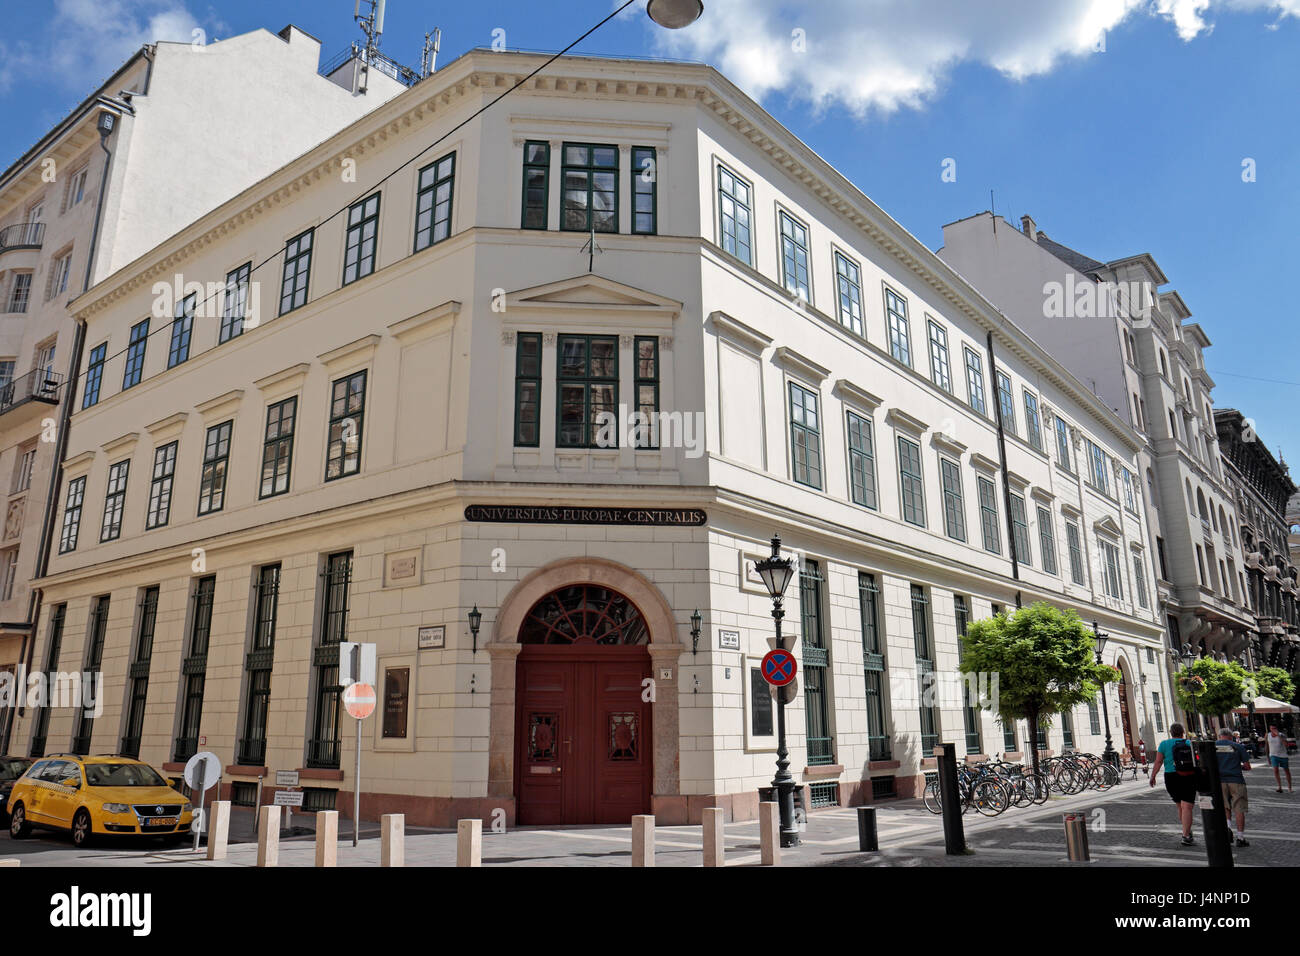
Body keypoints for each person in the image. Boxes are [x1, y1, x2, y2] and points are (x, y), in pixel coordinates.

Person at [1151, 722, 1198, 846]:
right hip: (1188, 776)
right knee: (1187, 806)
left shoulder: (1163, 744)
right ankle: (1186, 835)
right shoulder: (1189, 743)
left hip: (1171, 777)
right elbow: (1198, 760)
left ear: (1171, 733)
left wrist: (1153, 776)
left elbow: (1158, 762)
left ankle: (1186, 830)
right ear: (1183, 732)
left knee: (1180, 806)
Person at [1215, 728, 1252, 847]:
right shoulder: (1238, 747)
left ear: (1219, 736)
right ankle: (1240, 838)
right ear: (1231, 737)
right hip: (1236, 780)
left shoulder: (1213, 746)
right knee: (1239, 808)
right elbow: (1247, 766)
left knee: (1226, 807)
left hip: (1220, 781)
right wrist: (1238, 766)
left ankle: (1228, 829)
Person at [1266, 724, 1292, 793]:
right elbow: (1266, 746)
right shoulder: (1267, 735)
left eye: (1274, 728)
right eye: (1271, 728)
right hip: (1273, 755)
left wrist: (1278, 735)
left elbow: (1286, 745)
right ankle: (1279, 787)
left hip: (1283, 755)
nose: (1273, 730)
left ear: (1277, 728)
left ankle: (1289, 787)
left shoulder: (1282, 735)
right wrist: (1267, 757)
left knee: (1286, 771)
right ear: (1270, 728)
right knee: (1275, 770)